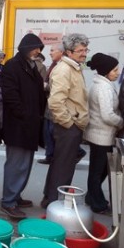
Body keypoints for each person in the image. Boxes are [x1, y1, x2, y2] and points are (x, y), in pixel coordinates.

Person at [41, 33, 90, 209]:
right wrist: (69, 124)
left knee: (62, 165)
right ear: (69, 52)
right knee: (63, 167)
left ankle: (51, 199)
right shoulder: (64, 69)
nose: (84, 53)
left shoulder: (73, 67)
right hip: (67, 127)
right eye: (80, 50)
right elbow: (55, 102)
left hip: (72, 125)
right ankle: (54, 203)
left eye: (85, 49)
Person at [0, 33, 46, 219]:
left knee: (25, 164)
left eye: (40, 49)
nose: (38, 51)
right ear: (26, 48)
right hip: (19, 125)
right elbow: (10, 96)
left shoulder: (31, 65)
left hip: (29, 124)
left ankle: (15, 195)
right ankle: (8, 201)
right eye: (36, 48)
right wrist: (25, 115)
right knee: (16, 164)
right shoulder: (13, 65)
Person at [83, 53, 123, 215]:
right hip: (101, 136)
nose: (118, 72)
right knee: (98, 171)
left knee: (99, 170)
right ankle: (97, 203)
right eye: (114, 70)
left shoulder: (102, 84)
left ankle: (91, 197)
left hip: (100, 134)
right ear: (106, 71)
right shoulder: (103, 88)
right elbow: (107, 115)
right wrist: (121, 122)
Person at [39, 43, 63, 165]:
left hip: (56, 106)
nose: (50, 52)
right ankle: (50, 156)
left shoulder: (61, 67)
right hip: (49, 105)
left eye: (53, 50)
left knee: (54, 133)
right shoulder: (54, 65)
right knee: (48, 133)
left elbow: (57, 87)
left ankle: (75, 153)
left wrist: (45, 86)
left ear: (61, 52)